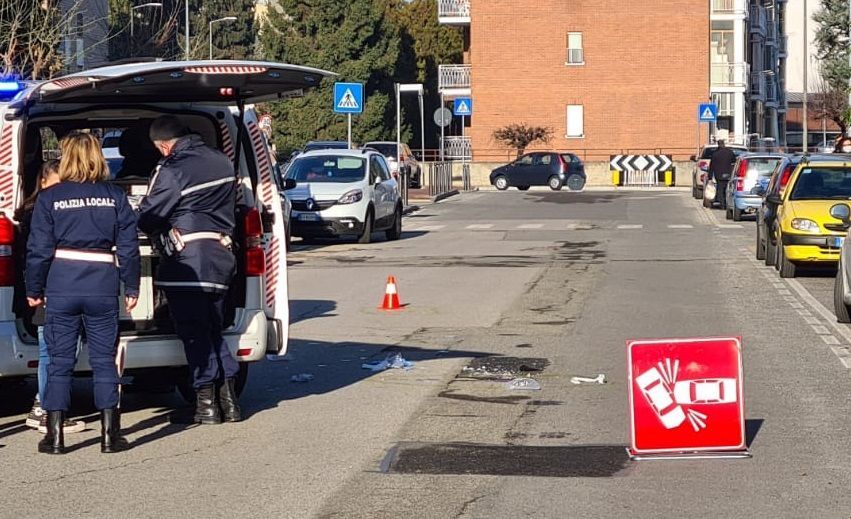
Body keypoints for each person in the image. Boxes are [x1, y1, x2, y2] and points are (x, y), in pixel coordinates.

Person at [26, 132, 140, 454]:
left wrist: (34, 288)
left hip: (61, 283)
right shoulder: (114, 196)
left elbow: (38, 250)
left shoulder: (50, 198)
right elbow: (129, 249)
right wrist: (132, 286)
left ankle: (55, 437)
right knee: (105, 360)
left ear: (66, 158)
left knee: (60, 361)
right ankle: (109, 435)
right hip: (102, 283)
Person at [137, 115, 241, 425]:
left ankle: (205, 405)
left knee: (195, 335)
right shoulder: (222, 161)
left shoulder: (171, 169)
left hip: (188, 263)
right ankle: (230, 403)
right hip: (222, 258)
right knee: (213, 331)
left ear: (165, 146)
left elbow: (149, 215)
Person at [17, 160, 85, 435]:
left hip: (54, 288)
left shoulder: (45, 210)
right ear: (42, 183)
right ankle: (46, 409)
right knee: (55, 351)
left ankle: (43, 405)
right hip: (49, 289)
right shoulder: (37, 213)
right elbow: (38, 255)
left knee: (60, 349)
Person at [708, 139, 736, 208]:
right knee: (728, 189)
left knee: (720, 190)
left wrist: (710, 176)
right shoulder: (730, 152)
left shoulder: (715, 154)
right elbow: (734, 162)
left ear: (718, 144)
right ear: (724, 144)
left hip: (719, 175)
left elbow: (712, 166)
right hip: (728, 174)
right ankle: (727, 203)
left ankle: (722, 204)